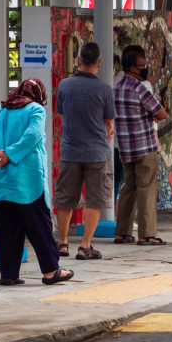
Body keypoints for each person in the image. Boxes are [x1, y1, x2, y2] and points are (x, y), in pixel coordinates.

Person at [0, 79, 72, 286]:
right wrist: (9, 155)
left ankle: (9, 274)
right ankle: (51, 270)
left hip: (0, 180)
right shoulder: (35, 110)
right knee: (39, 225)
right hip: (27, 181)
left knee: (6, 228)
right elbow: (33, 136)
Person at [51, 44, 115, 262]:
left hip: (70, 150)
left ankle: (62, 243)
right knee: (94, 200)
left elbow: (61, 112)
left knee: (66, 198)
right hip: (97, 152)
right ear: (99, 64)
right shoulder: (105, 89)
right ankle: (85, 246)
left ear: (78, 61)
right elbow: (108, 122)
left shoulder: (65, 85)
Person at [113, 45, 169, 246]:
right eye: (142, 65)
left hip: (125, 148)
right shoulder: (140, 88)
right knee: (146, 189)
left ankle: (122, 233)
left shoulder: (116, 88)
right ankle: (147, 234)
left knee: (128, 188)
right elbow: (161, 113)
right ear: (132, 68)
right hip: (144, 146)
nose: (145, 68)